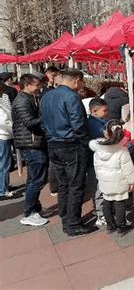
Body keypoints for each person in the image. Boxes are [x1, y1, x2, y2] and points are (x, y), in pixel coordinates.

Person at [40, 68, 94, 236]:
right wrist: (86, 144)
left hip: (53, 144)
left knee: (63, 184)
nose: (82, 85)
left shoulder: (47, 96)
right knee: (76, 185)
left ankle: (66, 217)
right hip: (71, 145)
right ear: (77, 80)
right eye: (82, 82)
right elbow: (78, 125)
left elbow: (43, 121)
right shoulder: (72, 97)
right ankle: (73, 223)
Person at [12, 74, 49, 226]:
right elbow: (29, 122)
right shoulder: (22, 100)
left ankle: (33, 207)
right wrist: (46, 116)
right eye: (36, 85)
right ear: (27, 85)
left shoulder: (29, 98)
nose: (39, 87)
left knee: (34, 178)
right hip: (30, 143)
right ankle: (28, 212)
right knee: (36, 179)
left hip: (33, 142)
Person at [89, 120, 134, 235]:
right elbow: (128, 167)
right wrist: (132, 180)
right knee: (119, 203)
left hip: (104, 181)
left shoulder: (98, 149)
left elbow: (96, 166)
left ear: (106, 132)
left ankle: (110, 225)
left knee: (106, 202)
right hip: (119, 181)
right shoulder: (122, 149)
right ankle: (121, 226)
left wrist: (100, 177)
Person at [87, 98, 109, 226]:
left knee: (98, 187)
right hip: (95, 161)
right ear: (94, 111)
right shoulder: (94, 125)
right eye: (104, 110)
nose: (106, 113)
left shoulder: (97, 122)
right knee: (98, 187)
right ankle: (100, 214)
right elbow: (103, 140)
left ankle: (99, 210)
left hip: (97, 160)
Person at [0, 79, 14, 198]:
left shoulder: (4, 97)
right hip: (3, 134)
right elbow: (4, 120)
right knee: (4, 163)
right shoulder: (2, 100)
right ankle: (3, 188)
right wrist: (13, 130)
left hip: (4, 133)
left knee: (3, 162)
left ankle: (4, 185)